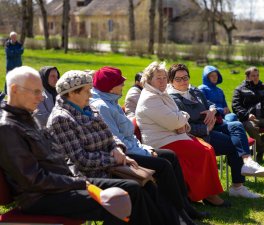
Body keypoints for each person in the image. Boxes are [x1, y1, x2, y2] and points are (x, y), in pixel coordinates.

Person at [0, 66, 158, 225]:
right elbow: (33, 179)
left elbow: (55, 159)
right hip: (40, 197)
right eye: (35, 92)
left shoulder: (26, 118)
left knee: (130, 192)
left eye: (41, 92)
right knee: (120, 199)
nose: (41, 97)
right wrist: (79, 182)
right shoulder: (8, 127)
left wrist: (77, 179)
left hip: (60, 186)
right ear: (14, 90)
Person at [46, 70, 185, 225]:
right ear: (72, 93)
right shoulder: (61, 118)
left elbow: (110, 136)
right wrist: (114, 159)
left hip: (108, 167)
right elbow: (81, 160)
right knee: (135, 189)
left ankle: (178, 220)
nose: (91, 95)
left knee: (147, 185)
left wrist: (117, 148)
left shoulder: (88, 109)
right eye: (87, 91)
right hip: (87, 175)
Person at [90, 66, 209, 222]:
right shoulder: (103, 106)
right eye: (120, 83)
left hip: (136, 147)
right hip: (124, 154)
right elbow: (115, 141)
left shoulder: (111, 102)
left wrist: (143, 148)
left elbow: (177, 119)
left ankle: (184, 208)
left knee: (170, 157)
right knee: (164, 165)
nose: (123, 85)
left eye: (164, 77)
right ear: (110, 87)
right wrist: (144, 151)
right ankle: (178, 213)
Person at [167, 63, 264, 199]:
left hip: (213, 125)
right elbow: (182, 126)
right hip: (198, 135)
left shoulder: (193, 90)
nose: (183, 81)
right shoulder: (171, 99)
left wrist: (212, 110)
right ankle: (237, 187)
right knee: (234, 145)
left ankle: (248, 162)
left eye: (185, 77)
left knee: (235, 124)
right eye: (178, 79)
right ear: (171, 81)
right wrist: (205, 128)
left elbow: (210, 103)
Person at [135, 61, 229, 207]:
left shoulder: (160, 93)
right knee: (203, 152)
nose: (162, 81)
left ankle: (204, 193)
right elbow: (175, 121)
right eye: (158, 78)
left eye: (164, 78)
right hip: (162, 141)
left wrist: (181, 121)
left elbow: (177, 117)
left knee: (207, 148)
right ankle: (206, 195)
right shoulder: (150, 98)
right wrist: (183, 118)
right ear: (149, 80)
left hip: (174, 135)